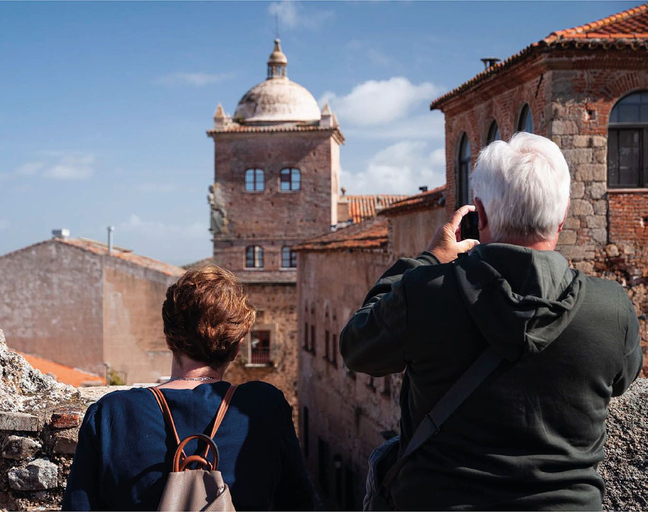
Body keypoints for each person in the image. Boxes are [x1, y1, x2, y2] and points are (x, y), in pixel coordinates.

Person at [341, 132, 643, 510]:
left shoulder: (426, 293)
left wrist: (428, 261)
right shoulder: (611, 307)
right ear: (564, 214)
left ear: (479, 214)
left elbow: (356, 347)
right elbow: (623, 378)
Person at [62, 265, 313, 510]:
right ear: (237, 347)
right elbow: (298, 502)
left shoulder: (112, 413)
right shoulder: (264, 408)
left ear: (169, 336)